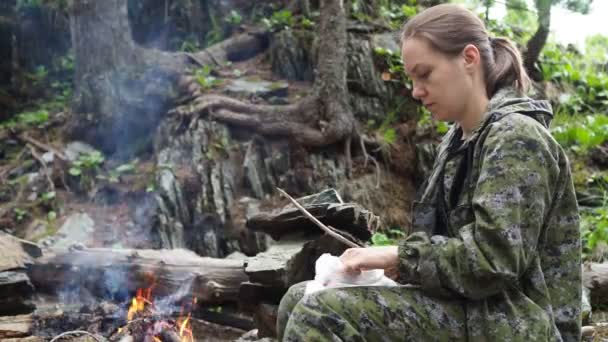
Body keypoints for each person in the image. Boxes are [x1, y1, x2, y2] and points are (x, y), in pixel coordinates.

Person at [276, 3, 582, 342]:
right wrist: (390, 269)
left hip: (516, 324)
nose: (416, 91)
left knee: (320, 314)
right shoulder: (457, 141)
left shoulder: (517, 137)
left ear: (469, 58)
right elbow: (447, 250)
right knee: (300, 297)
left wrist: (398, 255)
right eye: (411, 78)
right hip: (474, 311)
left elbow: (493, 261)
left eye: (425, 74)